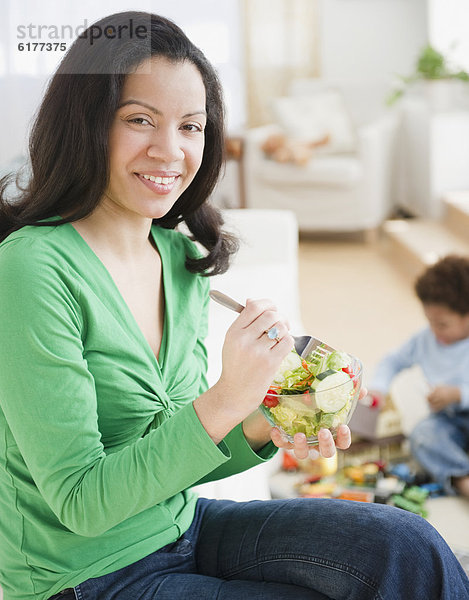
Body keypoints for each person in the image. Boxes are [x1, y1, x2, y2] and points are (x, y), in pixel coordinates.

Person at [0, 11, 467, 600]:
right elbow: (81, 502)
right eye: (140, 120)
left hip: (179, 529)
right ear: (87, 123)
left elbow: (178, 458)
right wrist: (225, 399)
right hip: (78, 575)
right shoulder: (31, 268)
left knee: (408, 545)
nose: (170, 151)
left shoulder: (179, 257)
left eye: (191, 127)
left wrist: (271, 417)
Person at [368, 255, 469, 499]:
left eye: (443, 324)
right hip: (448, 422)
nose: (435, 330)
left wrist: (458, 394)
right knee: (422, 436)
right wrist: (378, 388)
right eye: (430, 321)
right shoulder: (425, 340)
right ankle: (462, 478)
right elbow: (393, 360)